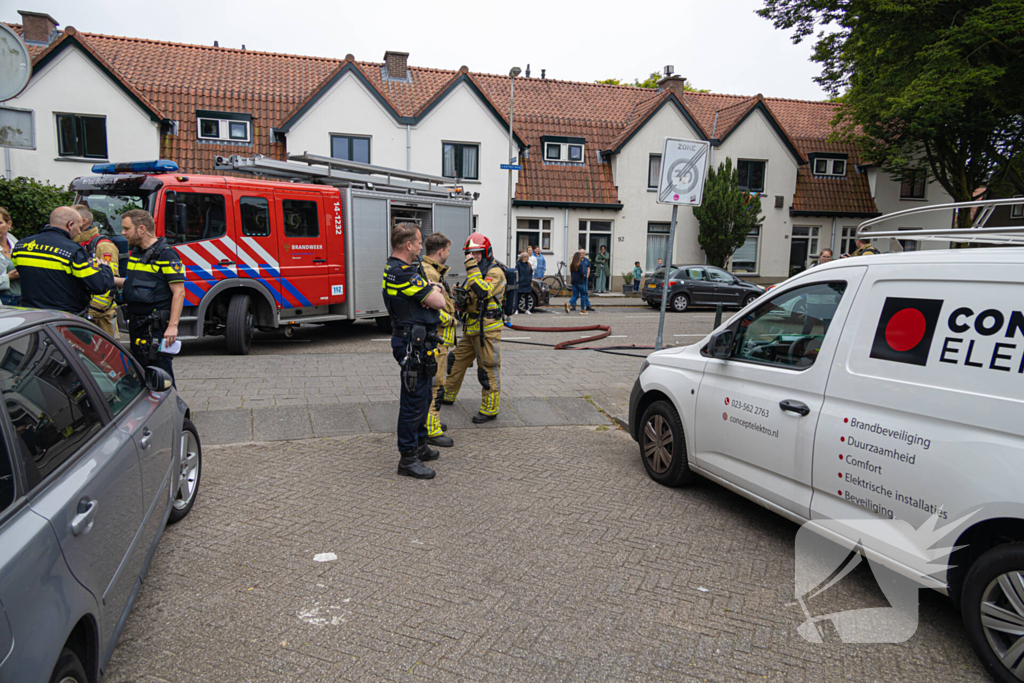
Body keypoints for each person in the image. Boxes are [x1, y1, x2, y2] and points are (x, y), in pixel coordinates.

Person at [382, 222, 447, 479]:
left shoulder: (403, 269)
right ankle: (407, 458)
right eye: (419, 242)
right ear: (408, 245)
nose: (422, 246)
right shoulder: (401, 273)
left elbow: (433, 293)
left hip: (420, 344)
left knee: (423, 398)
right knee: (412, 402)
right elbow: (439, 300)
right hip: (413, 346)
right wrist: (435, 290)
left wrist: (432, 289)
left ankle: (420, 445)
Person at [442, 233, 506, 423]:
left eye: (477, 253)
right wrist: (460, 296)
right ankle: (447, 394)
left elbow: (483, 291)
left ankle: (490, 409)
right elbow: (472, 299)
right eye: (470, 253)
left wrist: (471, 268)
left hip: (487, 331)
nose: (473, 257)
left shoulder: (495, 272)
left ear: (486, 253)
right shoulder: (477, 272)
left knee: (487, 369)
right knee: (455, 360)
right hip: (472, 330)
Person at [119, 209, 186, 383]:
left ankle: (171, 408)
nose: (122, 233)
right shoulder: (137, 253)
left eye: (126, 228)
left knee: (160, 374)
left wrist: (172, 326)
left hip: (154, 327)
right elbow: (130, 282)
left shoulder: (166, 254)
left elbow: (179, 292)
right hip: (137, 324)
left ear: (141, 229)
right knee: (143, 373)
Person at [12, 206, 114, 315]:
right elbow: (99, 285)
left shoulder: (21, 246)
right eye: (79, 227)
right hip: (63, 318)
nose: (79, 232)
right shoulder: (73, 251)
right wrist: (104, 268)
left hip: (31, 317)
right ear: (70, 225)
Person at [420, 232, 457, 449]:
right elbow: (430, 307)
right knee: (436, 385)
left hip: (440, 336)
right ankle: (432, 429)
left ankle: (431, 421)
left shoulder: (432, 271)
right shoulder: (429, 273)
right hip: (438, 336)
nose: (449, 254)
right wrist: (451, 321)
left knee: (436, 383)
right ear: (441, 251)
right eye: (448, 250)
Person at [73, 204, 120, 338]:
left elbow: (109, 283)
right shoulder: (74, 244)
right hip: (80, 313)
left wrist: (93, 312)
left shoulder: (104, 246)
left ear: (83, 221)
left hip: (101, 317)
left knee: (109, 355)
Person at [0, 208, 20, 306]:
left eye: (0, 223)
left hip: (23, 299)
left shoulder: (18, 244)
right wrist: (8, 277)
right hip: (4, 300)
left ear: (8, 224)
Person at [565, 250, 592, 314]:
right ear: (578, 257)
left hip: (574, 282)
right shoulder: (580, 265)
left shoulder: (572, 265)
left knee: (575, 295)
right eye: (580, 255)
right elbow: (581, 274)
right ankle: (582, 309)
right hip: (580, 282)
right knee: (583, 295)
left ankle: (569, 303)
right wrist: (585, 277)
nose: (581, 256)